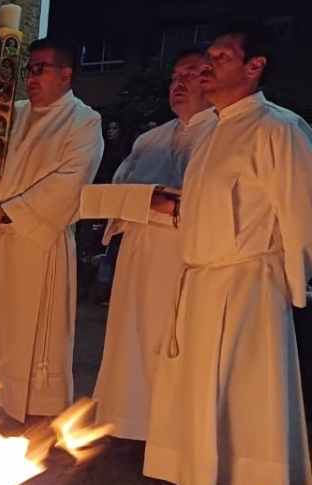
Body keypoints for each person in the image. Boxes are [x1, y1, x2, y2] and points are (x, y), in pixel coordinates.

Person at [144, 22, 312, 485]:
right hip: (203, 279)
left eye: (221, 56)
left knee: (240, 396)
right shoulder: (214, 130)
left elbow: (299, 213)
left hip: (247, 281)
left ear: (254, 65)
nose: (208, 65)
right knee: (199, 392)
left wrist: (294, 287)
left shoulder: (278, 129)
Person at [0, 38, 103, 424]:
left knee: (30, 336)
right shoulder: (5, 115)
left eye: (41, 69)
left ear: (66, 75)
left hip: (36, 246)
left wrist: (7, 212)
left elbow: (71, 181)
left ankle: (33, 415)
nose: (31, 77)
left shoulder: (84, 121)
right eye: (28, 69)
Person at [92, 49, 216, 445]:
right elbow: (115, 192)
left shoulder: (222, 133)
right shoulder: (149, 139)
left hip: (184, 255)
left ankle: (171, 431)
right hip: (138, 254)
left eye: (193, 74)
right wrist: (148, 200)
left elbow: (205, 200)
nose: (179, 84)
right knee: (133, 341)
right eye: (175, 76)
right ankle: (132, 425)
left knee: (174, 343)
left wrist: (158, 202)